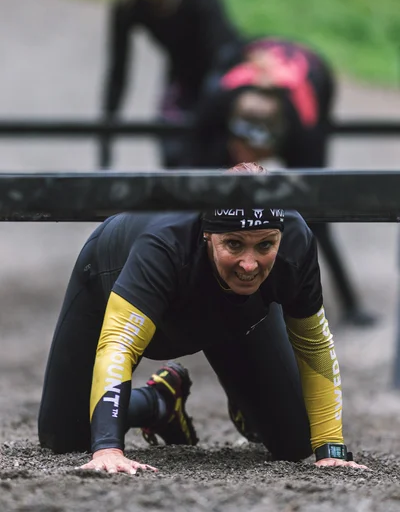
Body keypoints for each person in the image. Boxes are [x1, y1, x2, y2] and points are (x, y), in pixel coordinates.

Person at [38, 162, 368, 474]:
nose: (249, 264)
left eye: (265, 245)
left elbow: (314, 347)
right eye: (234, 244)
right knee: (66, 437)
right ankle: (157, 403)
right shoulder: (164, 245)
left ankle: (248, 401)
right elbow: (119, 346)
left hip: (235, 315)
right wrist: (109, 450)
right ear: (209, 235)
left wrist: (332, 450)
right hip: (112, 283)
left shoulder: (295, 241)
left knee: (295, 441)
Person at [195, 37, 376, 327]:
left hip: (314, 73)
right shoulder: (218, 101)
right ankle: (200, 288)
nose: (245, 159)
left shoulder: (304, 128)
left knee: (315, 215)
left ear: (276, 146)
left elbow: (317, 209)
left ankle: (351, 303)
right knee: (203, 195)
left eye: (255, 155)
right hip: (255, 51)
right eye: (240, 149)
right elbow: (194, 180)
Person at [100, 0, 241, 168]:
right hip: (181, 79)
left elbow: (221, 57)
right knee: (172, 159)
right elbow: (117, 72)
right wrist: (106, 137)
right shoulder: (128, 6)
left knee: (212, 160)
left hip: (226, 77)